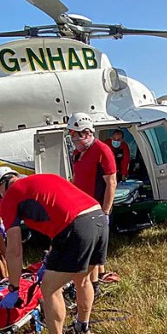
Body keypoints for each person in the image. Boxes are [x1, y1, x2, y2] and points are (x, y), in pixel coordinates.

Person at [0, 167, 108, 334]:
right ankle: (82, 327)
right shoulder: (45, 178)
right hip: (98, 218)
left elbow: (14, 249)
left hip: (76, 227)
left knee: (50, 287)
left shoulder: (11, 195)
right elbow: (60, 212)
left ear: (1, 186)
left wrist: (14, 287)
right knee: (83, 278)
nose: (1, 196)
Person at [67, 112, 117, 283]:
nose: (74, 141)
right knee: (92, 245)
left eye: (76, 136)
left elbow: (111, 182)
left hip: (96, 206)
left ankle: (94, 282)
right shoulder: (77, 153)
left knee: (94, 245)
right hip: (81, 205)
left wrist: (106, 211)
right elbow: (76, 176)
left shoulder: (102, 150)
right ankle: (99, 275)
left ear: (87, 133)